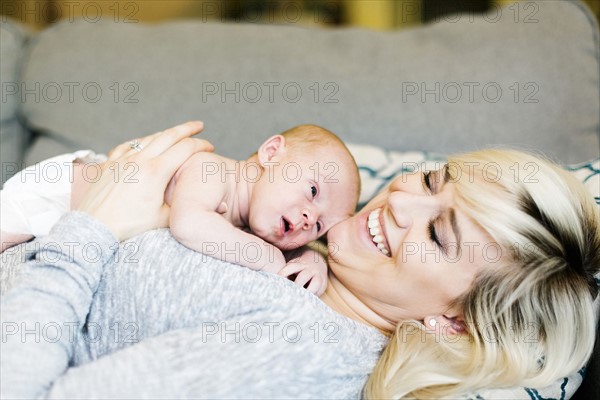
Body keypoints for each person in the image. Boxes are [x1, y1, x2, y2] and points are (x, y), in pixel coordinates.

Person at [1, 122, 598, 399]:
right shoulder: (305, 258)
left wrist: (96, 224)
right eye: (429, 180)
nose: (399, 202)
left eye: (438, 234)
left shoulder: (303, 352)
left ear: (456, 321)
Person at [0, 123, 360, 295]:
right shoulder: (213, 170)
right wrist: (266, 258)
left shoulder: (255, 217)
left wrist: (314, 261)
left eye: (319, 226)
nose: (309, 218)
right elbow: (188, 224)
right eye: (312, 190)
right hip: (60, 191)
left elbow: (302, 249)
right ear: (271, 153)